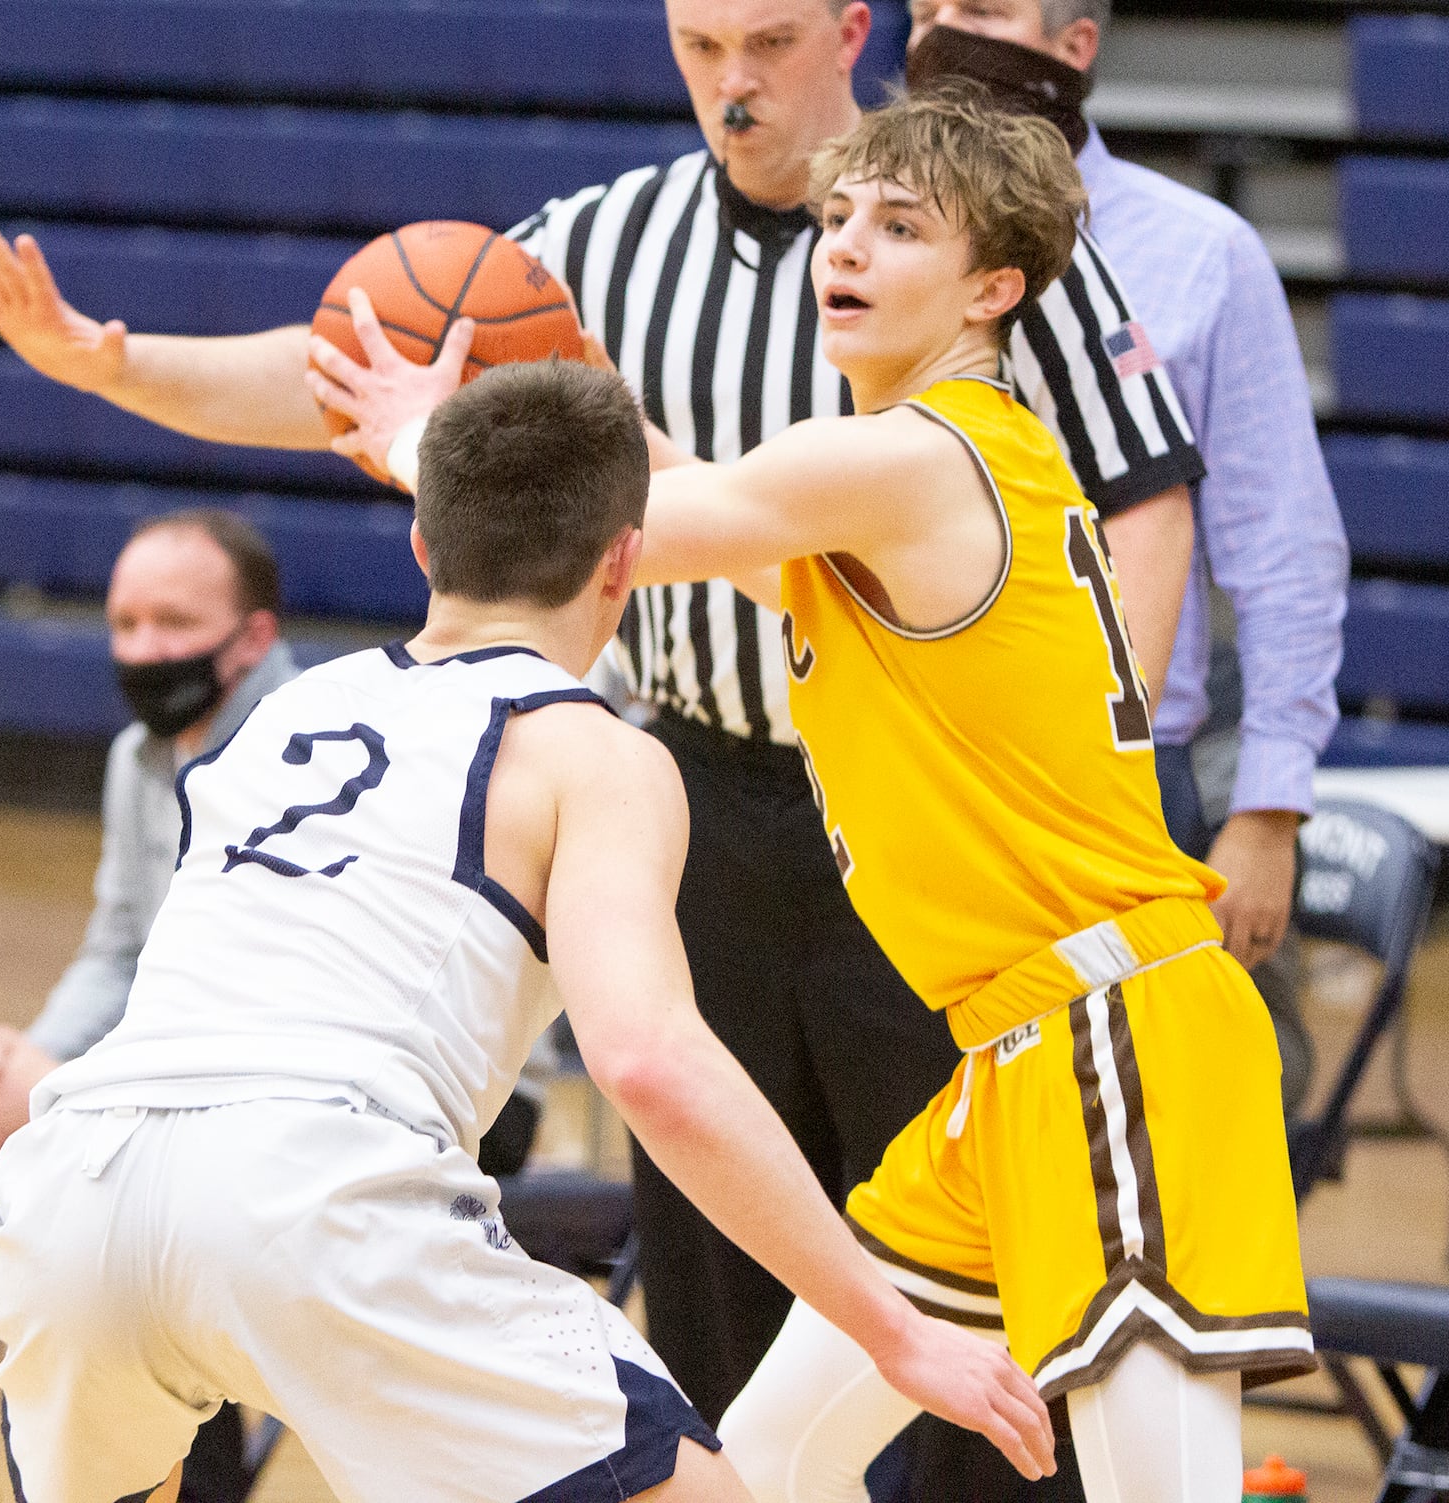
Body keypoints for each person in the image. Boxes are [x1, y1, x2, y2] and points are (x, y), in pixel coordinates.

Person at [0, 3, 1207, 1455]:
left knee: (1070, 1431)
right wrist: (122, 369)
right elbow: (418, 380)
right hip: (796, 844)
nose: (734, 83)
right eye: (700, 47)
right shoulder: (641, 266)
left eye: (769, 44)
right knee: (767, 1389)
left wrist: (442, 446)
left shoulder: (917, 442)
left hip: (1051, 955)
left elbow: (642, 515)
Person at [338, 89, 1316, 1503]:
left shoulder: (910, 456)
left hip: (1117, 1038)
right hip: (1006, 1064)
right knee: (775, 1460)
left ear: (996, 286)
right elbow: (707, 510)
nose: (846, 244)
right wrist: (562, 386)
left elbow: (609, 539)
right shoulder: (912, 483)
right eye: (839, 216)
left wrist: (429, 436)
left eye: (902, 226)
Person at [0, 359, 1057, 1503]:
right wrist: (893, 1332)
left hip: (74, 1180)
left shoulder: (280, 711)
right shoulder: (590, 750)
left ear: (422, 551)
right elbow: (647, 1061)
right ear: (627, 561)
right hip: (315, 1187)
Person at [904, 0, 1349, 1114]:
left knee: (1129, 1157)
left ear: (1073, 46)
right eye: (927, 12)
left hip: (1124, 784)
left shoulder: (1200, 254)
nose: (944, 35)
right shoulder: (870, 239)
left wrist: (1268, 809)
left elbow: (1283, 546)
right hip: (911, 776)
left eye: (983, 11)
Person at [0, 511, 296, 1503]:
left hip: (300, 1086)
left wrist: (67, 1089)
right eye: (123, 623)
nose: (142, 650)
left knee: (125, 1191)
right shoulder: (140, 756)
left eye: (172, 622)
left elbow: (261, 992)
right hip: (173, 1079)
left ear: (255, 638)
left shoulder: (299, 759)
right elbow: (118, 951)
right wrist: (33, 1062)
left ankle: (190, 1482)